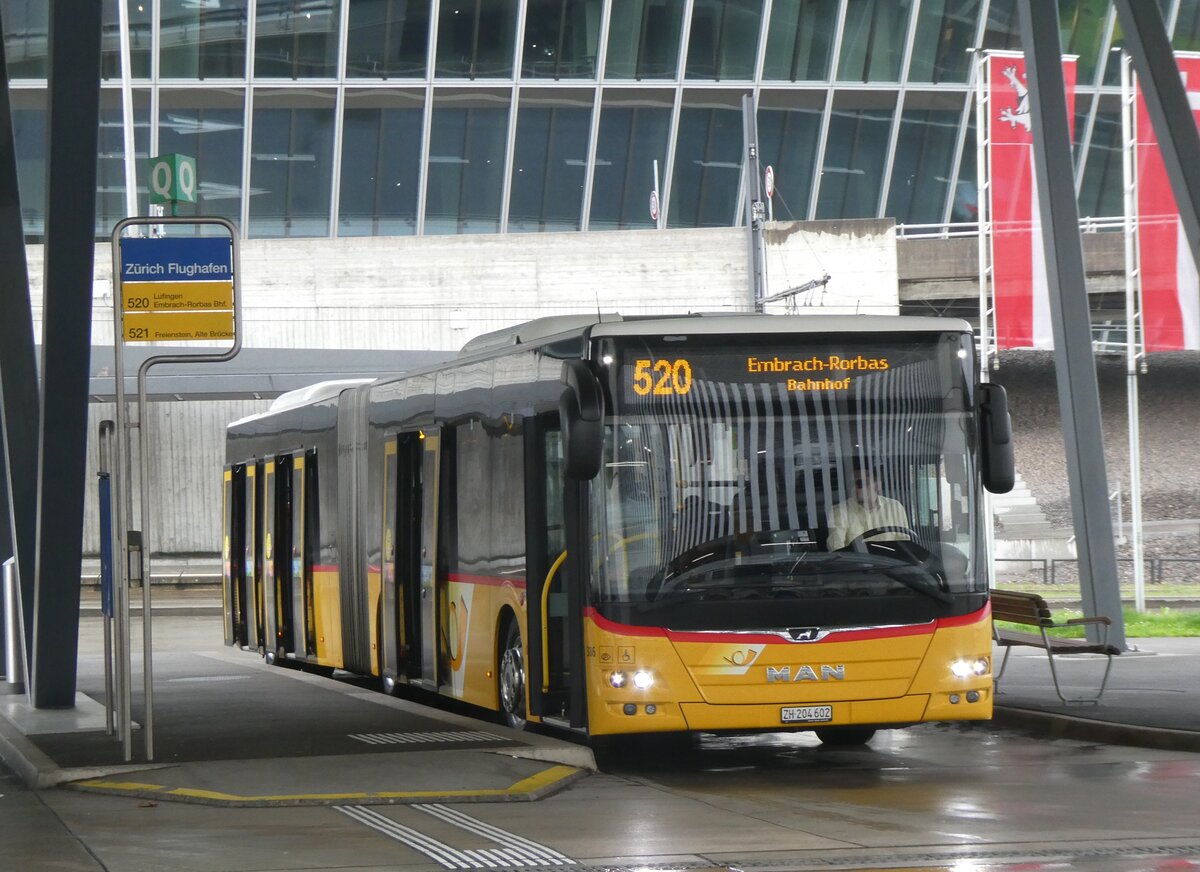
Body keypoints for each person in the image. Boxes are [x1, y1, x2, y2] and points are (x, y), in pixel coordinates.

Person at [825, 464, 911, 551]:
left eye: (860, 483)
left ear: (877, 485)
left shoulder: (895, 507)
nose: (854, 488)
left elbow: (904, 544)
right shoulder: (839, 511)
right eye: (851, 484)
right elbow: (836, 548)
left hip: (890, 563)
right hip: (855, 563)